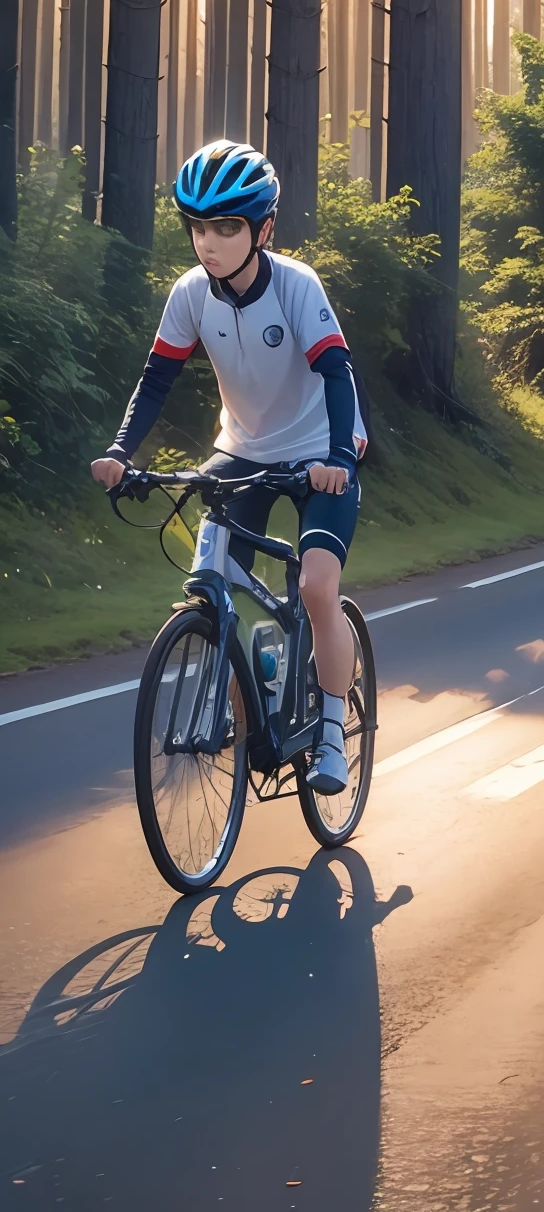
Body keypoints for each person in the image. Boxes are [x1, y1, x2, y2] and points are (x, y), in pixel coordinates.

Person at [92, 141, 368, 796]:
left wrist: (335, 458)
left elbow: (337, 373)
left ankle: (330, 732)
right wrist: (120, 451)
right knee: (209, 574)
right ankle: (251, 682)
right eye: (198, 227)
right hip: (242, 448)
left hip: (320, 449)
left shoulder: (297, 286)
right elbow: (155, 380)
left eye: (227, 227)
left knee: (316, 588)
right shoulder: (191, 294)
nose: (208, 243)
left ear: (262, 229)